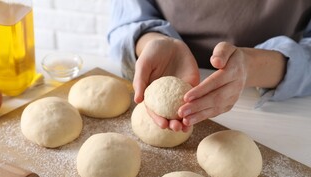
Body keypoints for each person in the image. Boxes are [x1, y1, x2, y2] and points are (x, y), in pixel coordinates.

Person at [107, 0, 311, 132]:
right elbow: (127, 19)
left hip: (273, 103)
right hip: (166, 70)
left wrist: (253, 67)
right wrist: (150, 42)